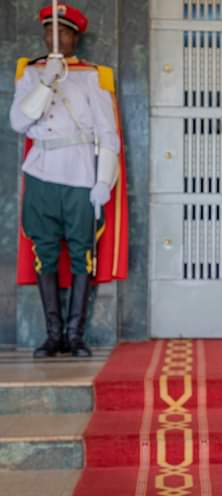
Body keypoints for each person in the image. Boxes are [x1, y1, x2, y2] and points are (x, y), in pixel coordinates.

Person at [10, 3, 127, 358]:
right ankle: (53, 335)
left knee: (82, 255)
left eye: (62, 31)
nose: (54, 37)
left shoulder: (92, 76)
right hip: (41, 174)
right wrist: (46, 83)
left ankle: (75, 335)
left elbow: (108, 135)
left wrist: (103, 181)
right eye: (49, 31)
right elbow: (19, 121)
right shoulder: (31, 73)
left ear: (75, 37)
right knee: (44, 254)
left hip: (79, 175)